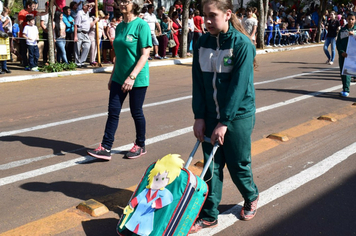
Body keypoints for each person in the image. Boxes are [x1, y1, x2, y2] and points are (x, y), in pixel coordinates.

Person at [189, 0, 259, 233]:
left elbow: (239, 88)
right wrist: (200, 116)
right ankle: (209, 214)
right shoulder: (201, 43)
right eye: (204, 16)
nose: (206, 21)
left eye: (212, 15)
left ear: (228, 14)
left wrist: (225, 122)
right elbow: (198, 83)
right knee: (211, 167)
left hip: (238, 115)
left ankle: (251, 196)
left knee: (238, 164)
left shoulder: (242, 45)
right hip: (209, 115)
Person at [87, 0, 152, 160]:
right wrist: (112, 76)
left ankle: (140, 144)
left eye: (126, 1)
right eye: (121, 1)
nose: (122, 4)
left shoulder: (141, 26)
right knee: (113, 111)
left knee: (136, 112)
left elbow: (145, 55)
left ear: (134, 4)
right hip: (118, 76)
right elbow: (119, 55)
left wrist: (132, 77)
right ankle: (106, 147)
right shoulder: (120, 26)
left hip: (136, 78)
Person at [18, 0, 48, 70]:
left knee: (34, 52)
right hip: (25, 36)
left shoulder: (33, 12)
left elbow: (43, 13)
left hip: (32, 37)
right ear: (28, 6)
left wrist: (47, 8)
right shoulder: (22, 13)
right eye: (33, 6)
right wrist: (24, 35)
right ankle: (25, 64)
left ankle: (33, 64)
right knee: (24, 51)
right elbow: (20, 24)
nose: (34, 7)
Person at [336, 12, 356, 97]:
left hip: (354, 56)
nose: (350, 21)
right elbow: (338, 43)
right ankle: (346, 89)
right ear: (346, 19)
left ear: (355, 20)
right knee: (345, 72)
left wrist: (354, 35)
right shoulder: (343, 30)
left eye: (352, 19)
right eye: (349, 19)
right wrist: (341, 52)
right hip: (345, 55)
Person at [74, 1, 96, 68]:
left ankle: (82, 61)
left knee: (87, 46)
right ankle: (77, 63)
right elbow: (75, 25)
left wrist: (89, 4)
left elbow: (94, 4)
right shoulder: (80, 13)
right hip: (79, 32)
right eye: (88, 6)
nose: (89, 7)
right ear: (84, 6)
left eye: (89, 7)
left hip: (86, 33)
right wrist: (75, 36)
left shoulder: (87, 12)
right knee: (77, 48)